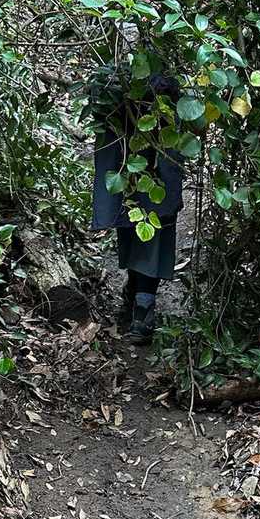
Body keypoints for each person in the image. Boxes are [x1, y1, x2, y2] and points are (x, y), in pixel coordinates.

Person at [90, 56, 183, 346]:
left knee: (152, 221)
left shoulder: (166, 54)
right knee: (130, 217)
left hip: (156, 145)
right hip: (126, 144)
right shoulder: (116, 61)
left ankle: (143, 306)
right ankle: (137, 294)